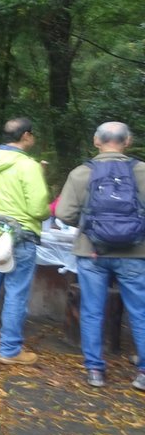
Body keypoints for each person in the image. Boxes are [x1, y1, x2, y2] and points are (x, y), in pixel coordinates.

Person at [55, 122, 145, 390]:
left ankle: (95, 370)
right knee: (140, 312)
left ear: (96, 141)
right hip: (134, 253)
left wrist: (91, 226)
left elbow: (64, 213)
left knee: (92, 311)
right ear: (127, 141)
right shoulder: (142, 171)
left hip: (91, 251)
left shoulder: (81, 172)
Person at [0, 118, 50, 364]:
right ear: (26, 135)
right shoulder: (28, 166)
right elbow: (38, 209)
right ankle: (10, 350)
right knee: (16, 293)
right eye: (32, 134)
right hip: (20, 236)